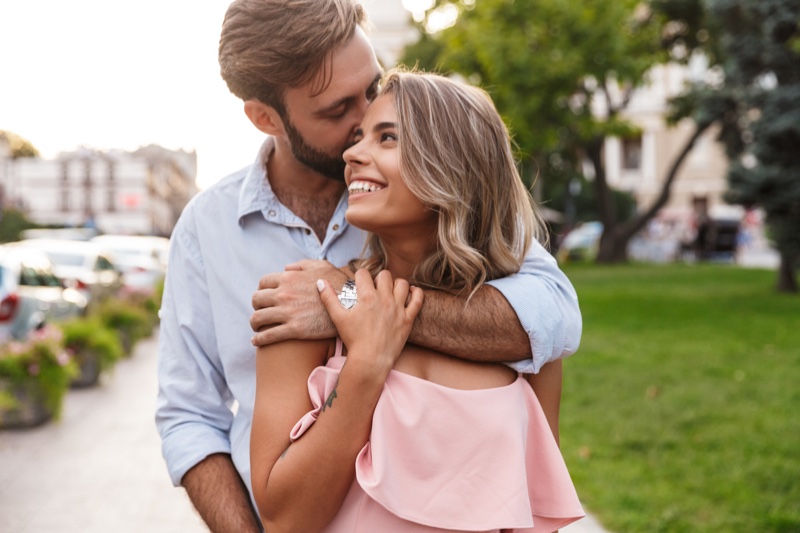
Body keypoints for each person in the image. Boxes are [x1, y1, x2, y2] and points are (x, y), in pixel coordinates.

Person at [155, 1, 581, 531]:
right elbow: (190, 417)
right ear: (266, 118)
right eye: (339, 113)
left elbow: (552, 318)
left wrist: (349, 302)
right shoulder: (207, 230)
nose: (362, 123)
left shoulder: (456, 223)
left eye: (373, 90)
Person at [250, 69, 585, 532]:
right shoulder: (310, 305)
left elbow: (533, 510)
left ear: (451, 164)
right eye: (359, 137)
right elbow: (285, 520)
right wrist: (366, 364)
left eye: (387, 138)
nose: (352, 153)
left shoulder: (521, 339)